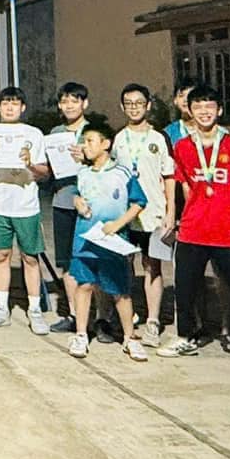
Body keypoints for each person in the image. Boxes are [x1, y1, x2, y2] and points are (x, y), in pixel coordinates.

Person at [162, 83, 230, 374]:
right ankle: (186, 336)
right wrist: (195, 212)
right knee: (185, 287)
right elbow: (185, 186)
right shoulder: (183, 146)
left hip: (228, 231)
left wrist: (227, 211)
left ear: (219, 110)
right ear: (189, 111)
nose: (204, 112)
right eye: (198, 106)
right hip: (193, 230)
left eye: (209, 106)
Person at [66, 119, 150, 361]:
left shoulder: (122, 173)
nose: (85, 146)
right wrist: (77, 202)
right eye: (84, 141)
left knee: (120, 291)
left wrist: (117, 224)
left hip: (113, 243)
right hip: (85, 241)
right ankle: (81, 334)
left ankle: (130, 338)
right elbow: (77, 195)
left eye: (90, 141)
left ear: (106, 144)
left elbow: (139, 203)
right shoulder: (83, 173)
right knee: (84, 285)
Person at [0, 86, 50, 331]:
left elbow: (44, 172)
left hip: (26, 206)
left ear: (23, 107)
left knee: (30, 257)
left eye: (15, 103)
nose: (10, 108)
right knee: (0, 256)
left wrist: (30, 163)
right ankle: (1, 308)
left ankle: (35, 310)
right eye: (5, 103)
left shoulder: (33, 134)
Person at [112, 83, 177, 345]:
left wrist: (171, 211)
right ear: (122, 107)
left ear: (148, 105)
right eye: (129, 103)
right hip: (126, 215)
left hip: (154, 214)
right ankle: (128, 315)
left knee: (152, 266)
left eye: (139, 103)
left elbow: (169, 177)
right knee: (125, 264)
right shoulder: (118, 138)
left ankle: (153, 320)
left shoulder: (159, 138)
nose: (134, 108)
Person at [45, 81, 91, 336]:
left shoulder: (94, 131)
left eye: (75, 100)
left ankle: (99, 317)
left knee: (92, 260)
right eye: (65, 101)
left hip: (91, 205)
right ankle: (74, 314)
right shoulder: (55, 133)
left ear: (85, 103)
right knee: (67, 262)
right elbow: (48, 170)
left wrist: (87, 158)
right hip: (62, 201)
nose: (69, 105)